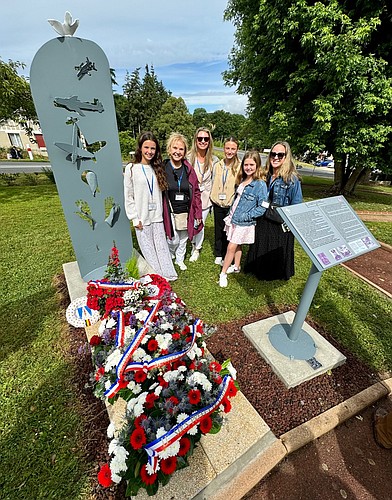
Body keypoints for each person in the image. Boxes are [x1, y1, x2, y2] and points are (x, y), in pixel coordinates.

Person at [244, 141, 302, 281]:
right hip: (264, 218)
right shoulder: (266, 175)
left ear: (286, 157)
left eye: (280, 155)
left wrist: (289, 224)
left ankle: (272, 273)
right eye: (273, 154)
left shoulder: (292, 179)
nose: (275, 157)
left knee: (274, 250)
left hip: (279, 221)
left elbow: (297, 204)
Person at [123, 131, 177, 281]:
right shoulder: (131, 169)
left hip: (157, 215)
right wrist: (134, 217)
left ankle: (167, 273)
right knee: (148, 250)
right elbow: (128, 196)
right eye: (146, 147)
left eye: (153, 148)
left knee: (161, 247)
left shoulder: (158, 167)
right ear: (140, 148)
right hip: (142, 217)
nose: (149, 151)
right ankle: (157, 276)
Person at [219, 150, 268, 288]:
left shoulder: (260, 185)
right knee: (237, 244)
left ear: (258, 165)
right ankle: (236, 266)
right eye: (246, 165)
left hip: (243, 222)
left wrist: (246, 216)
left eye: (252, 165)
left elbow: (262, 207)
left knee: (231, 247)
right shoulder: (243, 179)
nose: (248, 168)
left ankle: (223, 274)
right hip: (234, 217)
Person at [163, 132, 203, 271]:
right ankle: (170, 253)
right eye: (175, 148)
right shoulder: (163, 168)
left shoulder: (189, 169)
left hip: (186, 210)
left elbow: (196, 192)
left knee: (184, 237)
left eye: (181, 149)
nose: (177, 152)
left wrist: (198, 213)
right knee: (172, 238)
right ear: (169, 149)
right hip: (169, 210)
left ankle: (180, 259)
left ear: (185, 152)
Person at [187, 127, 218, 262]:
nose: (203, 141)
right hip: (190, 195)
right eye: (200, 138)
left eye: (206, 139)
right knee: (190, 221)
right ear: (195, 140)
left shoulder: (214, 160)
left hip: (205, 197)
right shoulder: (188, 157)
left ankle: (196, 248)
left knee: (200, 222)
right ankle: (189, 242)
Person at [210, 137, 241, 266]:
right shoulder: (218, 165)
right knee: (218, 229)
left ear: (237, 150)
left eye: (233, 149)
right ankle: (218, 253)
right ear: (224, 149)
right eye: (227, 148)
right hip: (217, 203)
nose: (229, 151)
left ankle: (226, 253)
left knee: (228, 231)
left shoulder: (240, 167)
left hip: (230, 205)